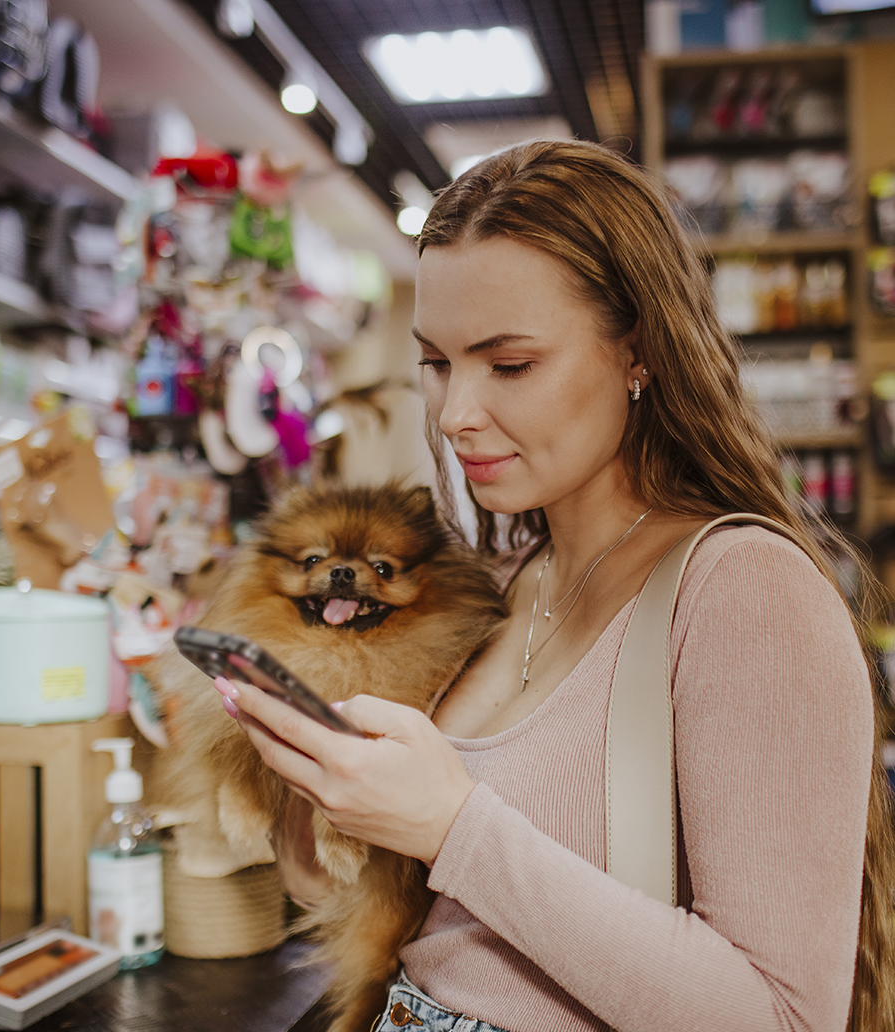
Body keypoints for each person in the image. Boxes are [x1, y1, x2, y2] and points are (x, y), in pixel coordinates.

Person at [212, 139, 895, 1032]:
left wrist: (453, 827)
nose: (457, 412)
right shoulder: (499, 586)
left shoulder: (744, 592)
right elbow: (360, 901)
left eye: (510, 365)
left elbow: (780, 1017)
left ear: (638, 352)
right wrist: (314, 787)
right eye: (436, 362)